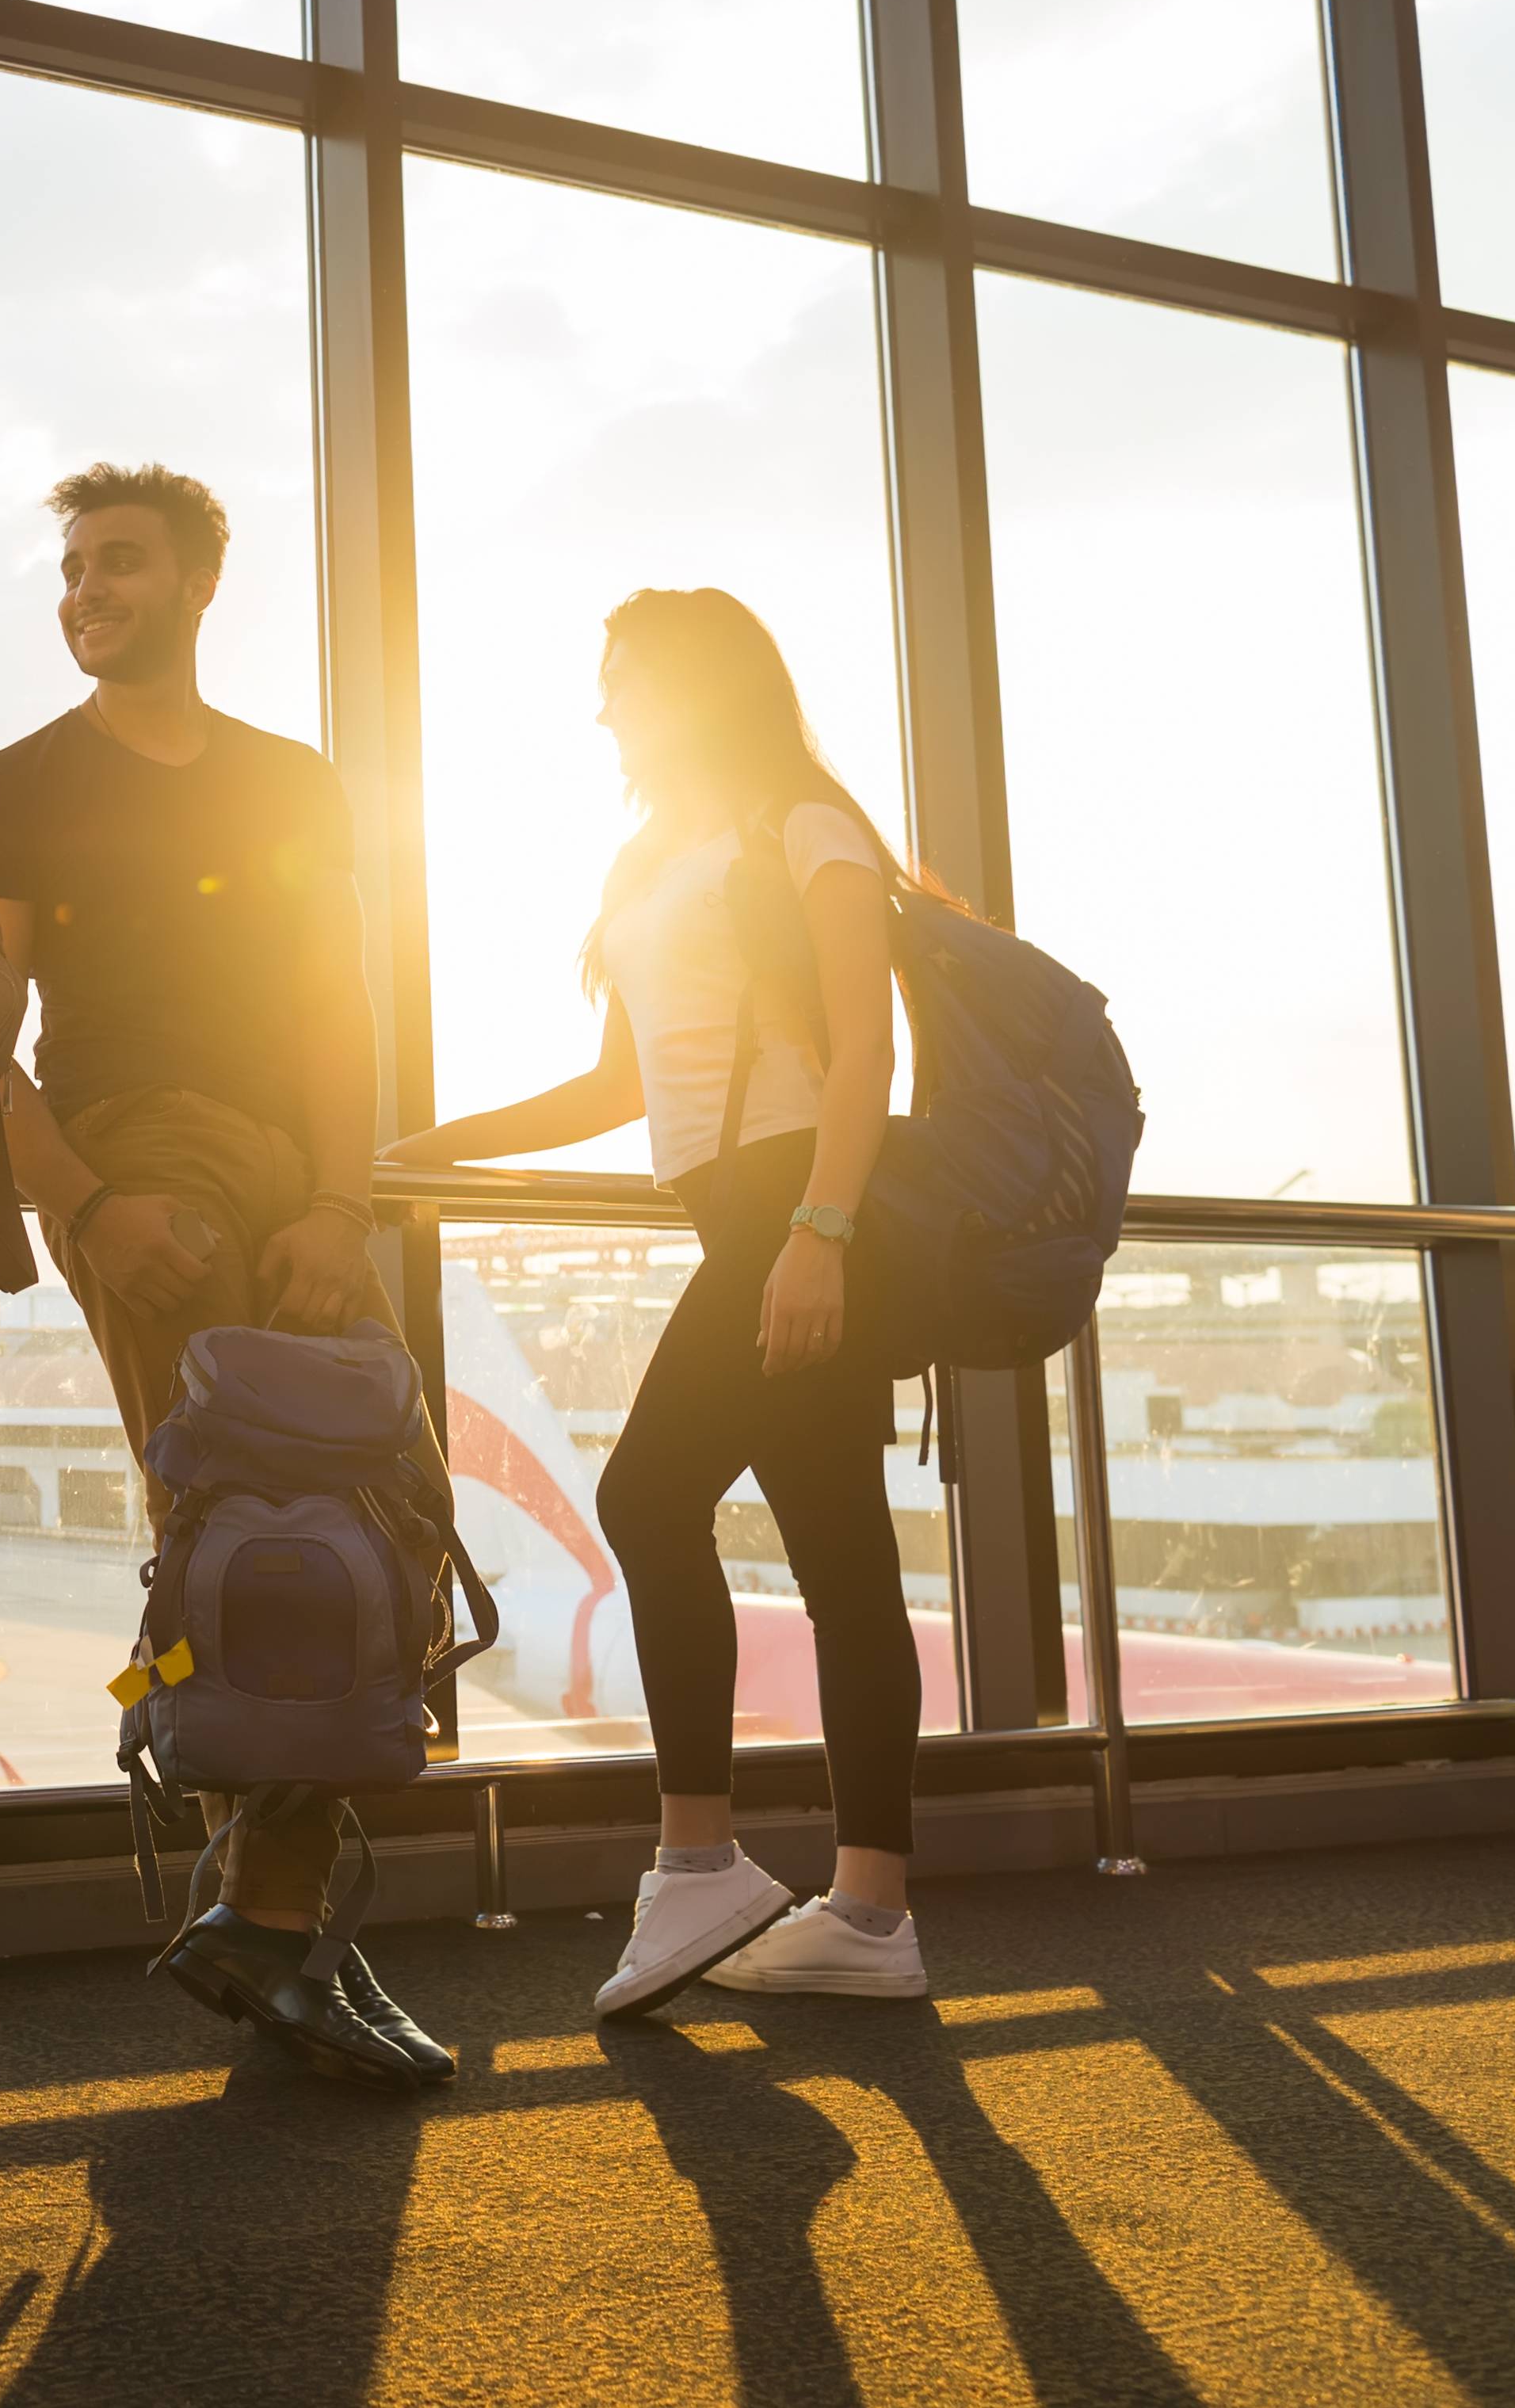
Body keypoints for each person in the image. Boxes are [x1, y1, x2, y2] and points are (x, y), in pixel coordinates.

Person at [0, 463, 448, 2092]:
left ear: (198, 585)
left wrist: (344, 1199)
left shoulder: (290, 783)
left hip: (289, 1175)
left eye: (120, 563)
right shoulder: (14, 788)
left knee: (382, 1508)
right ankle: (277, 1927)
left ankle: (269, 1920)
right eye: (71, 566)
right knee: (257, 1531)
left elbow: (337, 1013)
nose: (85, 588)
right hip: (142, 1164)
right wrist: (89, 1209)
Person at [384, 587, 924, 2015]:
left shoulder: (801, 824)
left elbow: (868, 1050)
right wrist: (438, 1147)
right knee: (842, 1560)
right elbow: (618, 1087)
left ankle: (702, 1860)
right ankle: (870, 1915)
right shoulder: (649, 856)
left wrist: (817, 1231)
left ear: (693, 685)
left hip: (788, 1210)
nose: (603, 704)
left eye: (623, 677)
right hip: (735, 1212)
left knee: (642, 1498)